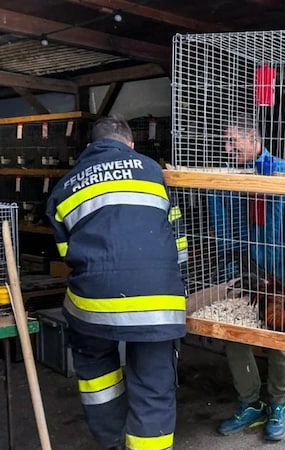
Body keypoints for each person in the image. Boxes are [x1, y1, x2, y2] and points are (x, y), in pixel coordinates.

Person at [46, 115, 187, 450]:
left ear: (90, 147)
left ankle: (111, 442)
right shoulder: (153, 171)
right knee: (153, 384)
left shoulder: (65, 186)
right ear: (131, 145)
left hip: (95, 302)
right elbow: (178, 241)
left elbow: (67, 253)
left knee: (98, 376)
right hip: (157, 301)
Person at [209, 118, 285, 441]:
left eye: (232, 141)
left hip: (282, 268)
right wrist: (232, 271)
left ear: (252, 137)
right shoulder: (225, 178)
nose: (226, 148)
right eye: (225, 142)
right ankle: (250, 401)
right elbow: (221, 227)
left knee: (281, 336)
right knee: (235, 334)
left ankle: (278, 404)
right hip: (245, 269)